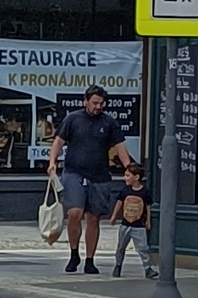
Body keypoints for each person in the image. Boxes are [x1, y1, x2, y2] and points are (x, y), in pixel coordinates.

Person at [47, 86, 123, 276]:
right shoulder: (73, 119)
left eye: (101, 103)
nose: (98, 107)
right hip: (74, 172)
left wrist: (129, 167)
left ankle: (90, 259)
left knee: (93, 218)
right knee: (75, 212)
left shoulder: (109, 123)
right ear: (85, 101)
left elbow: (120, 146)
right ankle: (74, 253)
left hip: (99, 175)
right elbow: (58, 141)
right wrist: (52, 162)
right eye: (95, 102)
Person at [108, 146, 153, 278]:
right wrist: (114, 216)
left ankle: (148, 268)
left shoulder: (144, 192)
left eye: (128, 175)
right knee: (121, 246)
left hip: (139, 225)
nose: (125, 178)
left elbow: (148, 205)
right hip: (125, 223)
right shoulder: (125, 191)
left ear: (136, 177)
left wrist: (148, 219)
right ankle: (118, 265)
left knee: (143, 248)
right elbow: (119, 202)